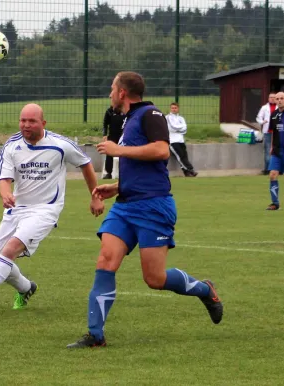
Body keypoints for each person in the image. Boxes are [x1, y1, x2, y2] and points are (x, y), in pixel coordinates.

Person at [66, 72, 223, 349]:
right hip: (125, 206)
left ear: (123, 92)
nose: (110, 94)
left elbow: (162, 151)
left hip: (154, 206)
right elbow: (141, 167)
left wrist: (118, 150)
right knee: (105, 261)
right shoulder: (128, 120)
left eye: (112, 88)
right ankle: (95, 335)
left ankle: (204, 289)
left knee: (154, 278)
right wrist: (116, 187)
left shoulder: (151, 114)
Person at [0, 103, 104, 313]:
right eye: (22, 120)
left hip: (45, 210)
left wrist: (95, 196)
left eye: (31, 121)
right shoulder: (11, 146)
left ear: (43, 123)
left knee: (10, 251)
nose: (26, 125)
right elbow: (5, 180)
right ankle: (26, 288)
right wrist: (5, 193)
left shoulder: (60, 145)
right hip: (16, 208)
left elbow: (85, 163)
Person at [166, 102, 197, 177]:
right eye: (172, 108)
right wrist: (180, 128)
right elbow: (172, 128)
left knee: (184, 156)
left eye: (175, 108)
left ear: (178, 108)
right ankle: (191, 170)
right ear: (170, 108)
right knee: (180, 157)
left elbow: (185, 129)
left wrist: (179, 129)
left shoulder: (181, 118)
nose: (174, 109)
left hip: (181, 140)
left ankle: (186, 173)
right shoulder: (168, 117)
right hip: (172, 141)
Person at [256, 92, 277, 174]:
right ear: (268, 98)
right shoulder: (264, 107)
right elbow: (258, 117)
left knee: (277, 150)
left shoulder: (279, 107)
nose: (272, 98)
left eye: (274, 97)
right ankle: (267, 169)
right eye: (271, 97)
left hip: (277, 132)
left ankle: (278, 169)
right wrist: (262, 122)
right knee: (268, 150)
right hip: (267, 132)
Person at [102, 106, 125, 179]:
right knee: (109, 154)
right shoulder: (109, 111)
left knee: (124, 153)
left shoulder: (125, 110)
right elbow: (105, 124)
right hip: (112, 135)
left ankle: (124, 172)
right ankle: (109, 173)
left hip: (123, 135)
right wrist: (105, 134)